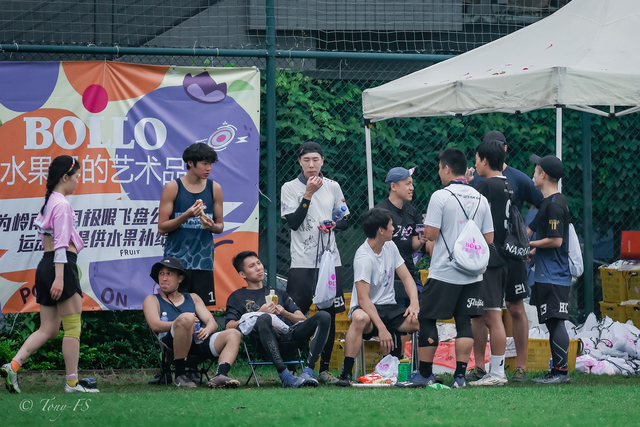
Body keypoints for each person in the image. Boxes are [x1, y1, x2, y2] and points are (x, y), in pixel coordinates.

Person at [396, 148, 493, 389]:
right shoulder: (481, 198)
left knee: (427, 317)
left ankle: (425, 374)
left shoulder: (440, 196)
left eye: (440, 168)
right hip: (472, 273)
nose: (439, 172)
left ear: (447, 168)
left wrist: (429, 228)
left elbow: (431, 234)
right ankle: (460, 376)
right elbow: (489, 238)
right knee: (464, 321)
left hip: (445, 271)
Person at [1, 156, 98, 394]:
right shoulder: (62, 205)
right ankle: (72, 383)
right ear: (65, 177)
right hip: (59, 266)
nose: (78, 181)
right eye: (76, 177)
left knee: (49, 329)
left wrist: (57, 274)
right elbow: (61, 244)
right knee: (73, 328)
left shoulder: (50, 202)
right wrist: (61, 277)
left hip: (47, 266)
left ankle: (13, 366)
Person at [467, 130, 544, 383]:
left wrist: (526, 234)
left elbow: (543, 204)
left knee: (512, 308)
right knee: (482, 312)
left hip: (504, 256)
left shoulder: (513, 179)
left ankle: (516, 367)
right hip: (495, 255)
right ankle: (480, 366)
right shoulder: (494, 182)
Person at [280, 141, 349, 384]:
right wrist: (308, 194)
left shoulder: (333, 186)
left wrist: (334, 224)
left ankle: (324, 369)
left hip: (330, 262)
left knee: (329, 314)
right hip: (302, 264)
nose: (311, 165)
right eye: (306, 160)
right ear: (300, 162)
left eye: (315, 160)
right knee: (294, 314)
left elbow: (345, 220)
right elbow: (293, 223)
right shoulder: (289, 187)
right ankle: (291, 368)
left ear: (322, 161)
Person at [337, 208, 420, 387]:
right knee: (359, 318)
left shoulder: (390, 246)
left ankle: (422, 372)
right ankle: (346, 374)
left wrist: (414, 303)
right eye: (391, 225)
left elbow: (407, 278)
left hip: (390, 307)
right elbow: (363, 299)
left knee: (422, 320)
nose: (394, 229)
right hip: (367, 309)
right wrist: (382, 329)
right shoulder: (363, 257)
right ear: (381, 230)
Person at [227, 251, 330, 388]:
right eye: (252, 266)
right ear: (242, 274)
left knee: (324, 316)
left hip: (290, 336)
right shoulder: (237, 297)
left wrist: (285, 313)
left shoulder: (279, 293)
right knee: (264, 318)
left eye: (259, 263)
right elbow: (229, 326)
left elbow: (302, 318)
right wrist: (259, 313)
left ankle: (308, 372)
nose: (258, 268)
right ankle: (285, 376)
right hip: (264, 341)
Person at [143, 257, 242, 388]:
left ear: (180, 278)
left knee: (234, 334)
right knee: (186, 318)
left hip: (197, 342)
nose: (164, 278)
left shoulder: (193, 298)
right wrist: (182, 324)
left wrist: (207, 329)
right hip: (171, 346)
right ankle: (180, 375)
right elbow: (155, 325)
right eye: (161, 273)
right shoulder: (152, 299)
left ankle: (220, 375)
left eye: (169, 274)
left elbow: (212, 323)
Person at [468, 140, 513, 386]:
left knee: (493, 316)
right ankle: (485, 369)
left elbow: (471, 217)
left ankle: (497, 373)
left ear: (485, 160)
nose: (475, 165)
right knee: (483, 314)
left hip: (490, 258)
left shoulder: (485, 186)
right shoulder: (507, 184)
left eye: (476, 159)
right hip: (502, 256)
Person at [158, 142, 223, 307]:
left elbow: (220, 226)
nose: (208, 168)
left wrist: (212, 226)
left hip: (203, 262)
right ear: (190, 163)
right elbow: (162, 227)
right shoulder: (173, 187)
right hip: (176, 262)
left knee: (202, 310)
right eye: (204, 163)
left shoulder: (214, 188)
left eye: (210, 164)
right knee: (174, 309)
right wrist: (186, 215)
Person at [527, 154, 572, 384]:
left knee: (556, 321)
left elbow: (556, 240)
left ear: (543, 174)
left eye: (535, 170)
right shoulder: (549, 202)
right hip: (547, 272)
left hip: (554, 274)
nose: (533, 174)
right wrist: (535, 251)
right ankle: (556, 369)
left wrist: (531, 245)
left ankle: (561, 372)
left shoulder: (554, 204)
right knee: (552, 321)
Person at [375, 167, 429, 307]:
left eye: (412, 183)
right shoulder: (380, 212)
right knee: (398, 314)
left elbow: (412, 245)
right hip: (387, 277)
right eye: (407, 184)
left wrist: (422, 239)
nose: (412, 188)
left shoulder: (412, 211)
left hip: (409, 272)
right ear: (393, 186)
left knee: (424, 308)